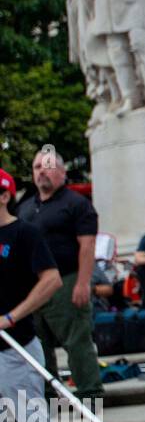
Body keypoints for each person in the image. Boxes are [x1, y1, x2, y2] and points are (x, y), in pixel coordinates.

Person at [0, 167, 71, 422]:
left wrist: (11, 317)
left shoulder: (25, 233)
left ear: (4, 194)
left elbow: (52, 279)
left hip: (18, 345)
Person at [16, 147, 103, 400]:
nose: (42, 171)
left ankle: (90, 393)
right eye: (37, 167)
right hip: (33, 286)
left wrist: (83, 283)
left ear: (63, 173)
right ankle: (46, 393)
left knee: (76, 340)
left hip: (67, 279)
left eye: (48, 165)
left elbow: (87, 246)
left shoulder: (76, 204)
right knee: (38, 343)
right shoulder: (25, 207)